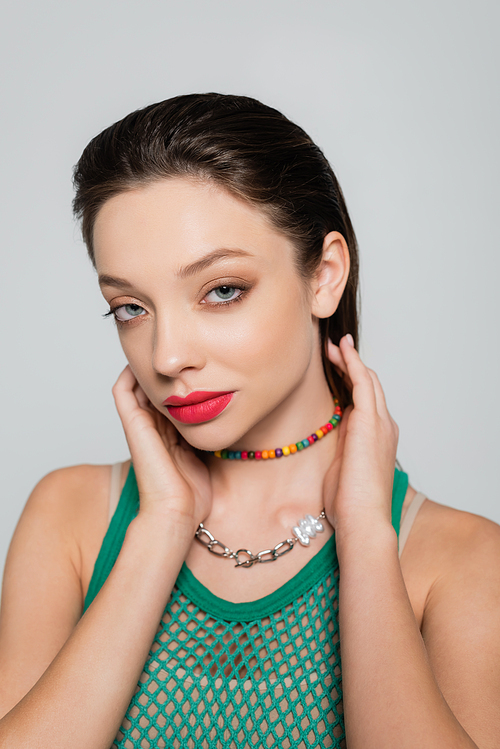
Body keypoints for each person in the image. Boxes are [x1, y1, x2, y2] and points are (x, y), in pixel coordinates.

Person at [0, 93, 498, 749]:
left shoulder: (459, 561)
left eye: (221, 290)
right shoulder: (71, 517)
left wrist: (366, 538)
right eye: (129, 307)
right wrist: (162, 527)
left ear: (325, 275)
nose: (169, 355)